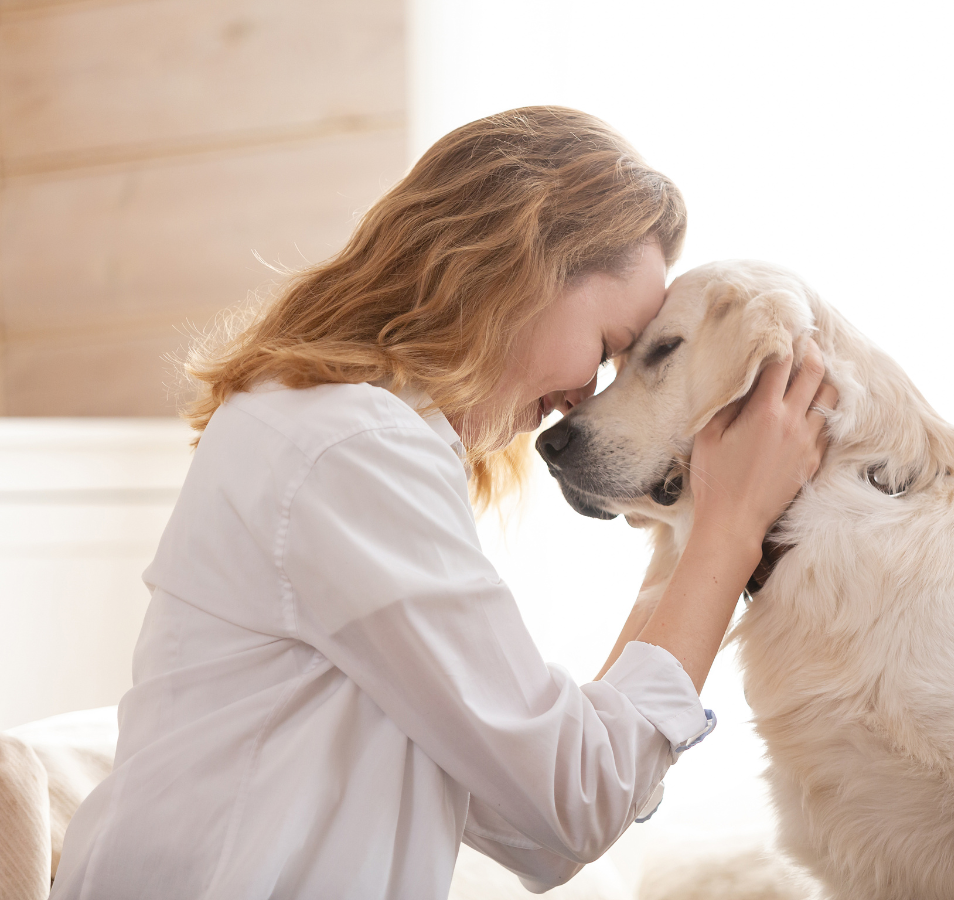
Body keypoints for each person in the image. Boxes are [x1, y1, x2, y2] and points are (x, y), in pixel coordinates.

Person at [49, 107, 836, 900]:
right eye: (604, 348)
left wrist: (694, 529)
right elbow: (571, 803)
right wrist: (728, 535)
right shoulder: (349, 447)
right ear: (520, 268)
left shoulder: (340, 430)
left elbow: (527, 813)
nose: (582, 398)